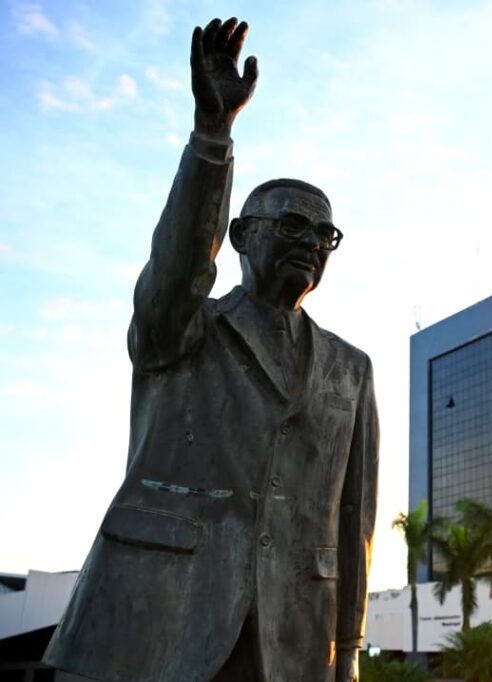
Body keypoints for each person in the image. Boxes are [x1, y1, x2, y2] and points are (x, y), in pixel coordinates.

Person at [43, 18, 378, 682]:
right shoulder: (183, 329)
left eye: (324, 233)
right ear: (241, 235)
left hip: (291, 643)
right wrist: (213, 136)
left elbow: (352, 522)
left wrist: (351, 649)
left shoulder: (351, 369)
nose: (311, 241)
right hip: (159, 624)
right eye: (291, 224)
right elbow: (175, 271)